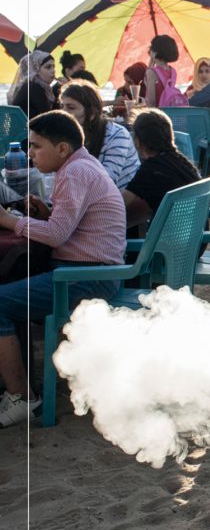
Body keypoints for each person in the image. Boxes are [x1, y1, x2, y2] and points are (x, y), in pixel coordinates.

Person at [0, 111, 126, 427]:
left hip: (87, 277)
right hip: (95, 270)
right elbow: (66, 224)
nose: (29, 154)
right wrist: (46, 213)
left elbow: (57, 235)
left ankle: (21, 397)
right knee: (12, 289)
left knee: (0, 302)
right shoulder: (83, 165)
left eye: (35, 146)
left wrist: (8, 220)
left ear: (62, 149)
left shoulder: (74, 173)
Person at [122, 109, 201, 227]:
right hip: (194, 238)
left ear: (138, 141)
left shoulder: (151, 170)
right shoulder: (183, 163)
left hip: (169, 242)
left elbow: (117, 203)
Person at [59, 80, 140, 188]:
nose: (63, 112)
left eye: (71, 107)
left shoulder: (117, 135)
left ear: (92, 114)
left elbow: (106, 182)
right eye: (62, 106)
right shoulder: (68, 137)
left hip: (118, 201)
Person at [8, 51, 58, 119]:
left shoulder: (39, 87)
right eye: (48, 67)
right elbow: (49, 116)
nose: (53, 71)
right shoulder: (33, 87)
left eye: (53, 66)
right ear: (35, 70)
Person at [143, 34, 180, 108]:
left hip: (157, 114)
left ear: (155, 52)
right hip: (169, 112)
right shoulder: (173, 71)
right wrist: (151, 62)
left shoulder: (152, 72)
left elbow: (151, 101)